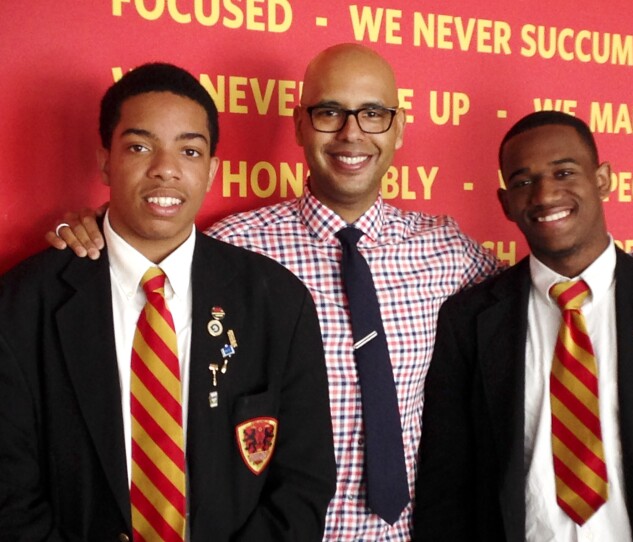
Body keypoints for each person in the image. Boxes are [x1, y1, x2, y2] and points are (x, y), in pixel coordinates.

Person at [47, 44, 502, 539]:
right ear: (299, 124)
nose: (352, 133)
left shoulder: (448, 252)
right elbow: (149, 248)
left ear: (398, 128)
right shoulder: (235, 249)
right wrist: (94, 229)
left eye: (373, 114)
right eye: (329, 112)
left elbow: (530, 300)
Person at [0, 63, 336, 540]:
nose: (166, 168)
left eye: (190, 150)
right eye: (140, 147)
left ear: (212, 169)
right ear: (104, 161)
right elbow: (11, 497)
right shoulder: (22, 304)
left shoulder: (277, 301)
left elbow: (303, 482)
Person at [413, 110, 633, 541]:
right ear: (506, 204)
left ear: (603, 180)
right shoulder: (469, 321)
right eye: (523, 181)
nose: (544, 194)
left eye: (564, 172)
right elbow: (445, 487)